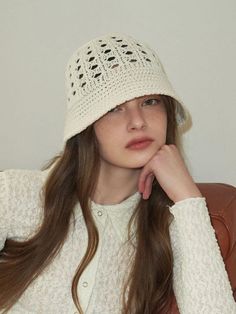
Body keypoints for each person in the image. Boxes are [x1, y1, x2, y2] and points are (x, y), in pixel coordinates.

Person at [0, 32, 235, 314]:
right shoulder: (15, 193)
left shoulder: (171, 223)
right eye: (114, 107)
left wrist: (187, 198)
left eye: (150, 102)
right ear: (86, 125)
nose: (138, 121)